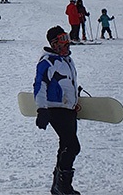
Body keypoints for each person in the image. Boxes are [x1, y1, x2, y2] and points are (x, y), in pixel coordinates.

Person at [34, 26, 81, 195]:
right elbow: (39, 85)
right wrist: (42, 109)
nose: (67, 43)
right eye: (62, 40)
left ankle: (58, 186)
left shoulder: (67, 59)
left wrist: (75, 98)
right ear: (54, 44)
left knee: (65, 146)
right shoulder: (47, 61)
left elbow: (68, 82)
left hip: (68, 109)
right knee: (72, 146)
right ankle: (63, 186)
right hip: (55, 109)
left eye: (67, 38)